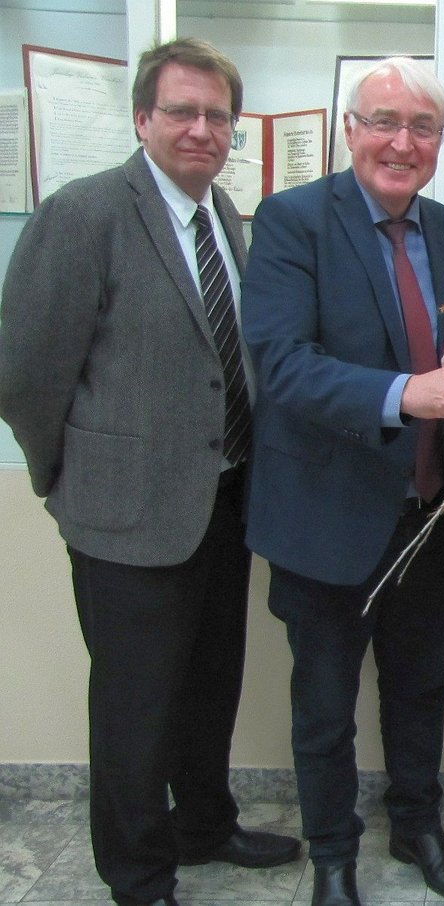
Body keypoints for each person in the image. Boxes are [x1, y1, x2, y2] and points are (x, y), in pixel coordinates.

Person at [0, 37, 300, 906]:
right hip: (124, 517)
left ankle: (203, 825)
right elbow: (23, 374)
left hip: (224, 500)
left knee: (209, 685)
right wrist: (65, 479)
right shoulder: (84, 213)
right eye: (182, 111)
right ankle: (138, 875)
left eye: (218, 116)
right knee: (136, 708)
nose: (202, 129)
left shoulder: (225, 216)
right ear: (142, 119)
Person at [240, 56, 444, 906]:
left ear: (440, 141)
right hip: (324, 514)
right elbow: (283, 364)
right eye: (383, 122)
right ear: (349, 130)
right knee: (324, 704)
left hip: (430, 514)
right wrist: (405, 392)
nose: (401, 142)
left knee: (420, 686)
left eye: (422, 127)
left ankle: (418, 826)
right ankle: (331, 854)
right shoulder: (291, 222)